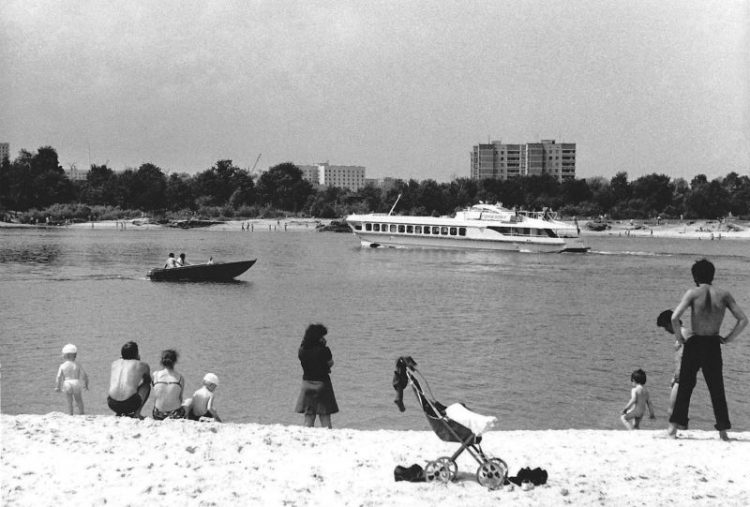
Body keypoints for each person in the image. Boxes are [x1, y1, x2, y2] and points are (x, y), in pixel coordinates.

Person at [668, 259, 748, 440]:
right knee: (716, 388)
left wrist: (680, 338)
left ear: (695, 276)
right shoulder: (724, 294)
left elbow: (674, 318)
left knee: (685, 387)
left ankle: (673, 429)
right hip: (713, 343)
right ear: (712, 275)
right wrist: (728, 338)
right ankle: (723, 432)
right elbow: (743, 320)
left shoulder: (693, 293)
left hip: (694, 343)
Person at [295, 323, 339, 428]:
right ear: (319, 337)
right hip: (322, 384)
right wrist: (323, 347)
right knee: (325, 416)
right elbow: (330, 363)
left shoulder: (302, 351)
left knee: (309, 417)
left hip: (307, 384)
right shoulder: (324, 350)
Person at [107, 341, 151, 418]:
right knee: (146, 386)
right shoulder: (143, 365)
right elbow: (148, 380)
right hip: (129, 404)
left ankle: (119, 413)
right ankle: (137, 413)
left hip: (112, 403)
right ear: (136, 353)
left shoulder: (114, 363)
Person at [657, 309, 687, 416]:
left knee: (672, 411)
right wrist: (674, 376)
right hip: (680, 377)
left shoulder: (683, 332)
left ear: (670, 323)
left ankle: (673, 432)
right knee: (680, 410)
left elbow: (692, 353)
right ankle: (679, 431)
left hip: (683, 378)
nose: (665, 330)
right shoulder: (680, 334)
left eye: (665, 327)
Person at [54, 344, 89, 415]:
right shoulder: (77, 365)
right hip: (76, 382)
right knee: (79, 400)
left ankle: (70, 414)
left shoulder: (62, 366)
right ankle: (81, 413)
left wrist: (57, 387)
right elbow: (84, 375)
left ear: (64, 356)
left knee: (69, 400)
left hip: (67, 383)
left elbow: (58, 377)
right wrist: (86, 385)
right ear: (75, 355)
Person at [151, 349, 185, 420]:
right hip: (175, 414)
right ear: (175, 362)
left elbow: (156, 393)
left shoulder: (155, 375)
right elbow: (180, 398)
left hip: (158, 414)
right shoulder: (180, 378)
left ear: (162, 361)